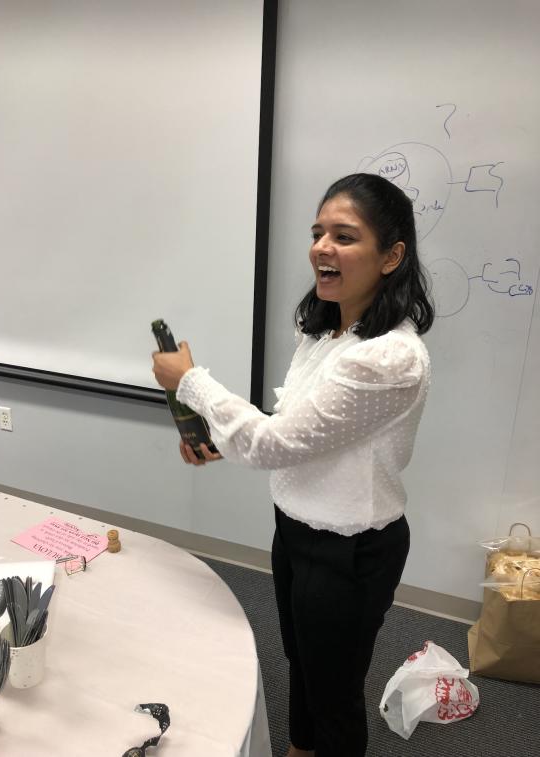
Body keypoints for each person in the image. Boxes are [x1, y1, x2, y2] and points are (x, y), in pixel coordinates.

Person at [152, 172, 434, 757]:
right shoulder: (327, 331)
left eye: (344, 236)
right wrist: (218, 439)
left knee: (334, 691)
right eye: (317, 233)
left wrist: (191, 382)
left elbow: (273, 444)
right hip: (297, 529)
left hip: (350, 550)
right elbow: (296, 430)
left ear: (391, 257)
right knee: (301, 660)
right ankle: (301, 750)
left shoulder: (390, 357)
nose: (322, 248)